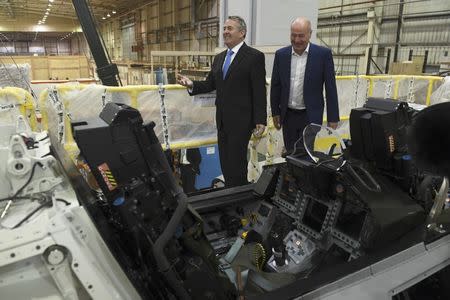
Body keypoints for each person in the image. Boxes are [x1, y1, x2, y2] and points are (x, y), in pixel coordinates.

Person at [177, 16, 267, 187]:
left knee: (237, 164)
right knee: (225, 163)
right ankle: (231, 194)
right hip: (222, 120)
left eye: (230, 28)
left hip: (242, 121)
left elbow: (259, 91)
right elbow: (210, 84)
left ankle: (239, 197)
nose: (225, 32)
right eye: (224, 28)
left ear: (242, 33)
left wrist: (260, 120)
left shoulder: (254, 57)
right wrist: (191, 84)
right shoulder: (219, 58)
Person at [270, 17, 339, 154]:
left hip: (310, 115)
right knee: (290, 152)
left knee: (305, 153)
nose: (296, 40)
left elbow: (331, 88)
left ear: (310, 34)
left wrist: (333, 117)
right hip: (287, 115)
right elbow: (276, 86)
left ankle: (303, 175)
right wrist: (275, 112)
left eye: (301, 36)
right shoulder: (281, 55)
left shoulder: (323, 55)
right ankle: (290, 175)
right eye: (293, 35)